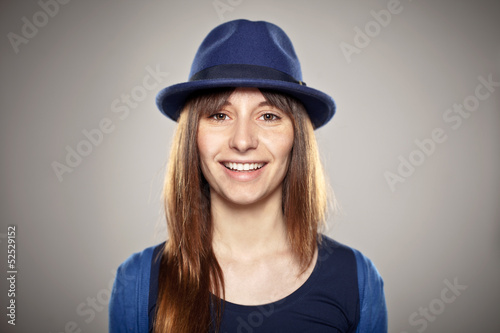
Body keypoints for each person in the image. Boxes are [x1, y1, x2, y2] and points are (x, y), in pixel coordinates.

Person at [109, 19, 387, 333]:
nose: (242, 141)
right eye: (219, 115)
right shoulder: (138, 281)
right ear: (191, 137)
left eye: (268, 116)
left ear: (296, 137)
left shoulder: (355, 279)